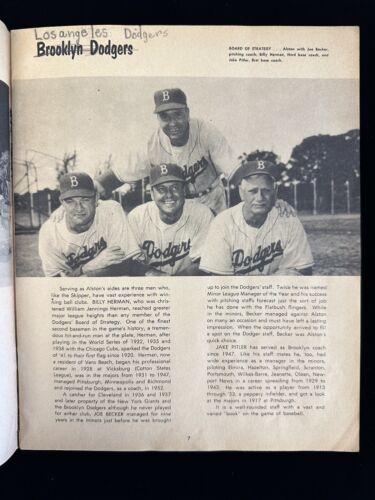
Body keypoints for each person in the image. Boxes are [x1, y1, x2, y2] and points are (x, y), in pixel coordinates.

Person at [96, 88, 237, 214]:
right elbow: (117, 175)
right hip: (177, 206)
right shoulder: (151, 144)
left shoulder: (206, 132)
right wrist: (92, 189)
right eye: (165, 117)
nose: (173, 123)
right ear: (158, 118)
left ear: (187, 113)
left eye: (177, 114)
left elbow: (234, 171)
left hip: (211, 199)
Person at [199, 160, 313, 276]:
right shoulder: (222, 223)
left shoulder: (288, 219)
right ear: (241, 193)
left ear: (275, 192)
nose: (260, 198)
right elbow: (218, 280)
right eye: (253, 191)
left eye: (266, 191)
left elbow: (304, 269)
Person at [38, 172, 141, 277]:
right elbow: (55, 284)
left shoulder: (111, 211)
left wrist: (77, 276)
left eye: (85, 199)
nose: (78, 208)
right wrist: (87, 267)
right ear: (62, 203)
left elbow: (124, 264)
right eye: (70, 201)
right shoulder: (49, 233)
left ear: (96, 198)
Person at [128, 163, 213, 276]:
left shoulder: (201, 214)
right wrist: (152, 274)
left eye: (174, 187)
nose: (169, 195)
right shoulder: (137, 217)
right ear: (152, 194)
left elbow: (205, 263)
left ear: (184, 190)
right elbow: (128, 262)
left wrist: (172, 283)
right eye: (161, 189)